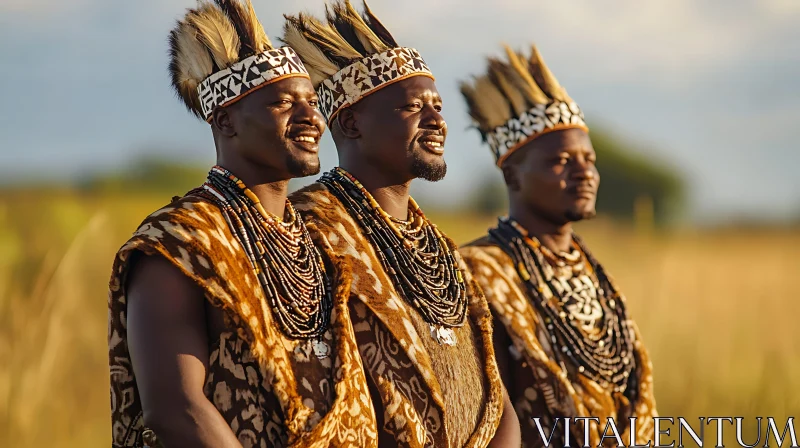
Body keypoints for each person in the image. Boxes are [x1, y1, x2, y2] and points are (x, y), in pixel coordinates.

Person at [108, 1, 377, 446]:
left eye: (312, 101)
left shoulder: (320, 242)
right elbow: (175, 408)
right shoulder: (179, 240)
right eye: (284, 103)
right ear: (226, 119)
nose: (311, 117)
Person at [283, 2, 521, 447]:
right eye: (414, 108)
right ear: (351, 122)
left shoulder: (438, 247)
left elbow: (494, 390)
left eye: (438, 106)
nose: (437, 121)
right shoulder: (307, 230)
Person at [458, 44, 658, 446]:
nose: (585, 173)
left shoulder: (589, 268)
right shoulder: (479, 271)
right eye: (562, 161)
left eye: (589, 159)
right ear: (513, 176)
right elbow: (487, 406)